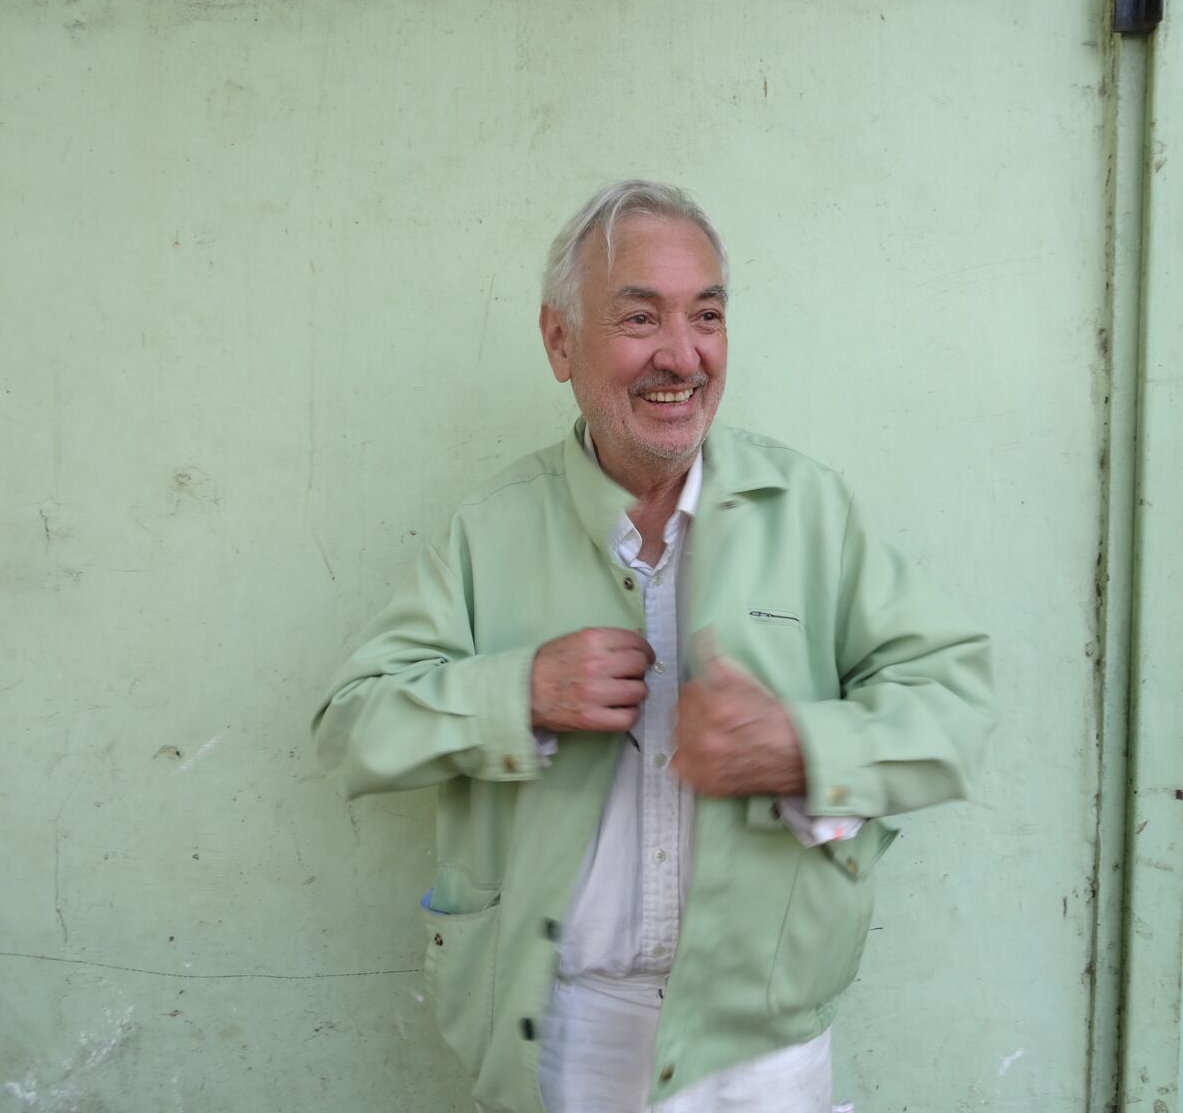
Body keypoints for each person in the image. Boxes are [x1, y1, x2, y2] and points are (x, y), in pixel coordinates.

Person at [312, 180, 994, 1113]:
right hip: (557, 1034)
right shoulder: (491, 530)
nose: (683, 356)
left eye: (707, 315)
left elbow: (956, 712)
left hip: (760, 1046)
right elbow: (349, 727)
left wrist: (803, 747)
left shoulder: (809, 510)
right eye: (640, 318)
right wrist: (518, 694)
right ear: (560, 342)